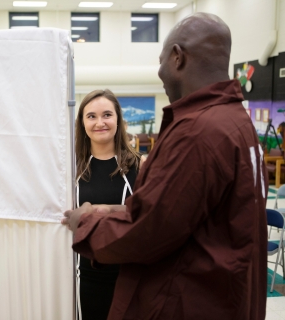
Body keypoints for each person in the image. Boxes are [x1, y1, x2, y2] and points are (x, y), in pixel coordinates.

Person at [62, 12, 267, 320]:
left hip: (191, 299)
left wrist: (87, 225)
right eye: (90, 116)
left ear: (177, 57)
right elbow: (177, 210)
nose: (160, 71)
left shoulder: (198, 131)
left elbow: (150, 230)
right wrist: (113, 211)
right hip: (225, 296)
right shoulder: (236, 122)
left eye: (160, 61)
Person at [74, 89, 141, 320]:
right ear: (82, 123)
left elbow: (148, 213)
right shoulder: (71, 170)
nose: (99, 122)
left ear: (118, 120)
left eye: (107, 115)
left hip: (129, 277)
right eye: (91, 116)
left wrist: (99, 210)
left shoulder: (139, 166)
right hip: (82, 278)